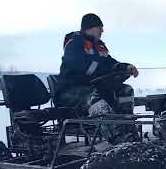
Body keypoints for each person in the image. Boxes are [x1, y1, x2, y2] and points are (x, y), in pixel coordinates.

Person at [56, 13, 139, 143]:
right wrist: (106, 71)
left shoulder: (99, 46)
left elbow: (109, 62)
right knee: (95, 97)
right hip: (70, 90)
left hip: (93, 87)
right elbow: (82, 66)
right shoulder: (74, 43)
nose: (102, 31)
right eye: (100, 27)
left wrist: (125, 67)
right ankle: (118, 140)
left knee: (125, 90)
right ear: (91, 27)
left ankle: (129, 131)